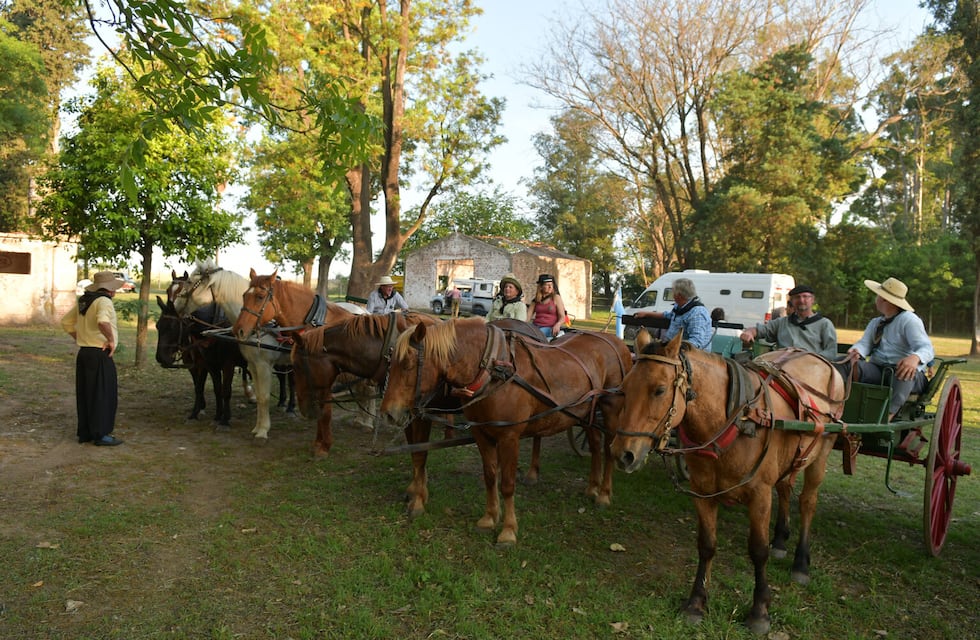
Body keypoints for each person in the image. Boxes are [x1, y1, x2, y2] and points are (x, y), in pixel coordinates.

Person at [839, 277, 934, 421]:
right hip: (879, 370)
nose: (876, 299)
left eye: (878, 295)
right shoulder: (876, 322)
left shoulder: (909, 320)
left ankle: (886, 417)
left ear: (884, 299)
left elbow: (927, 348)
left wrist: (915, 358)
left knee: (903, 373)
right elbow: (865, 343)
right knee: (843, 363)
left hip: (905, 374)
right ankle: (836, 404)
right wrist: (857, 351)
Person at [60, 271, 125, 446]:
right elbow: (102, 322)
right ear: (110, 289)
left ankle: (86, 432)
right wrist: (110, 340)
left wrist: (80, 337)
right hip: (99, 354)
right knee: (103, 394)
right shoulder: (104, 301)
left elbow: (66, 322)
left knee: (86, 392)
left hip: (85, 353)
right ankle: (101, 434)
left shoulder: (85, 300)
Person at [739, 284, 838, 361]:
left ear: (812, 300)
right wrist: (749, 332)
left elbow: (831, 352)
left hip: (811, 368)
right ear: (792, 301)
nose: (801, 300)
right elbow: (759, 330)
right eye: (797, 297)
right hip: (781, 368)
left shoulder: (824, 324)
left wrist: (811, 359)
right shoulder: (782, 322)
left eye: (805, 297)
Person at [633, 277, 713, 350]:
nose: (673, 294)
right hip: (672, 350)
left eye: (673, 292)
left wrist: (673, 347)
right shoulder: (680, 307)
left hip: (689, 356)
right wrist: (646, 314)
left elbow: (696, 342)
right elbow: (668, 315)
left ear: (679, 295)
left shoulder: (697, 313)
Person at [527, 274, 566, 338]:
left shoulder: (556, 298)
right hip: (535, 327)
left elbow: (562, 317)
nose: (550, 287)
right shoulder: (535, 301)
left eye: (551, 284)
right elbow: (527, 318)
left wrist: (558, 324)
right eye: (547, 285)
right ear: (541, 287)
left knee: (538, 334)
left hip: (549, 328)